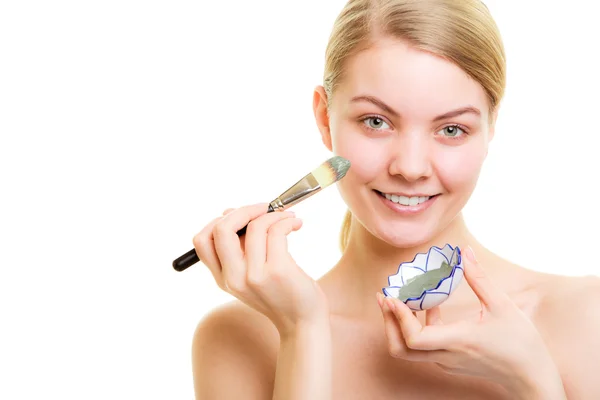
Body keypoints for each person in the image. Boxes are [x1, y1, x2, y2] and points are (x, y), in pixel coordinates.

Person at [190, 0, 600, 398]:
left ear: (490, 128)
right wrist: (303, 332)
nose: (411, 167)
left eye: (452, 129)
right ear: (324, 118)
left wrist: (533, 377)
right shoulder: (239, 339)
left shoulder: (585, 318)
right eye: (376, 122)